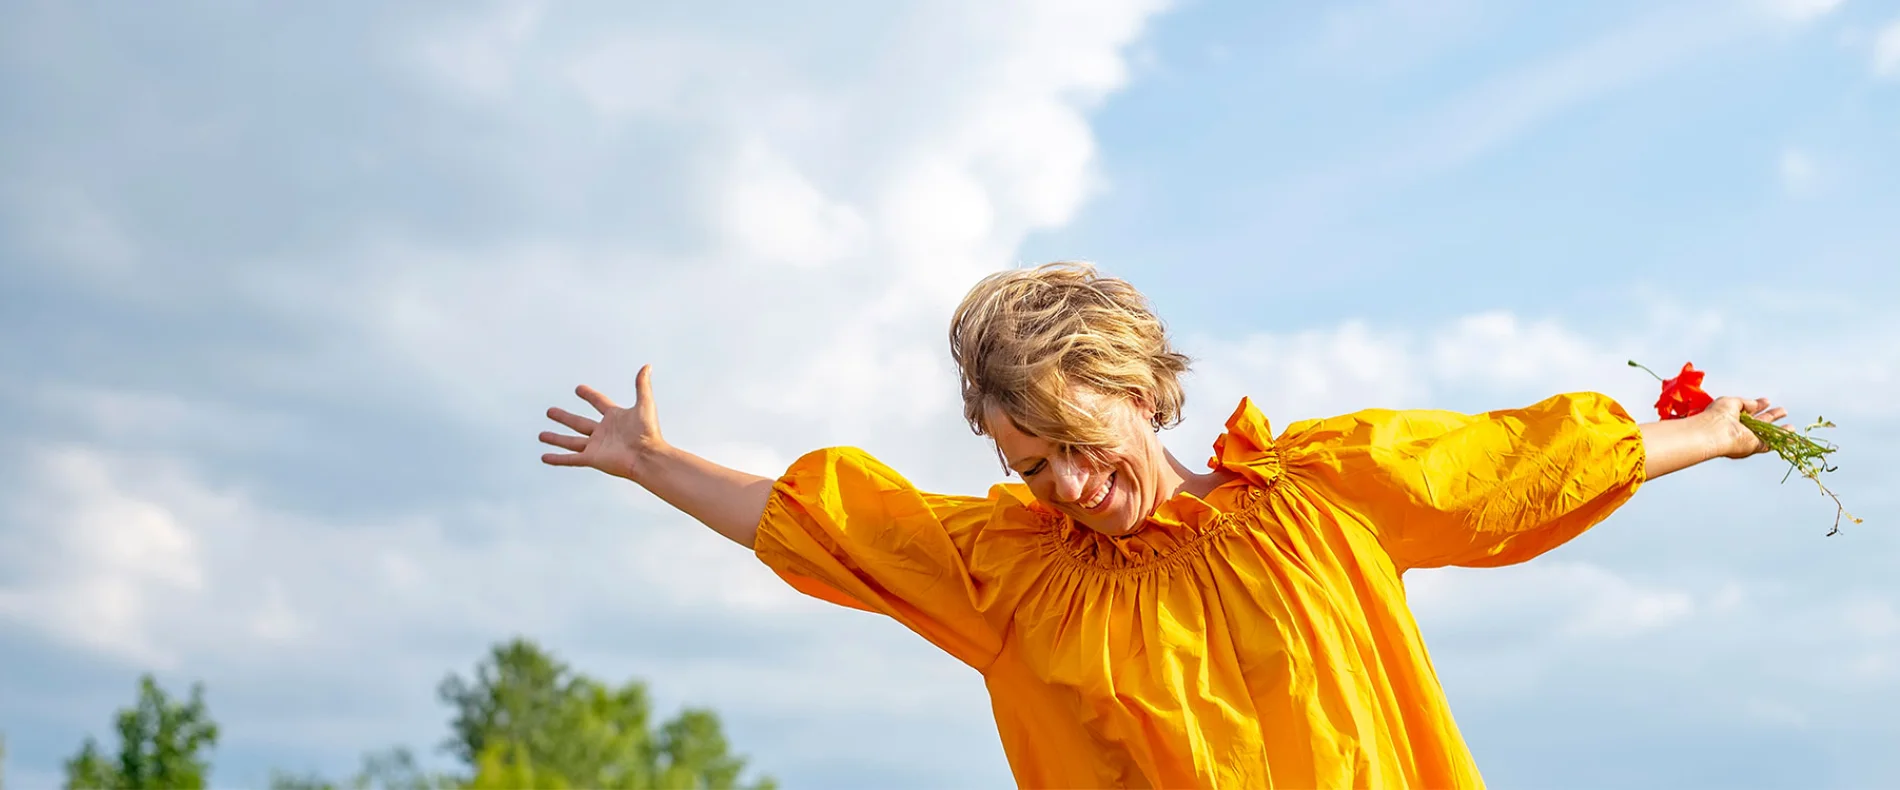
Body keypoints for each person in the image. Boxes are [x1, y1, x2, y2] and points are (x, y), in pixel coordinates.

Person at [538, 262, 1787, 789]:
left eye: (1081, 447)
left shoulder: (1321, 493)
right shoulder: (1007, 572)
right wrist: (652, 462)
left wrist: (1715, 430)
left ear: (1142, 393)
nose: (1067, 488)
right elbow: (813, 521)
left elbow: (1528, 462)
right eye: (1030, 465)